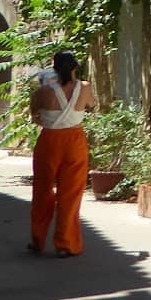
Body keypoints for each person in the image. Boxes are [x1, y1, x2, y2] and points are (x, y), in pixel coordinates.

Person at [27, 51, 96, 258]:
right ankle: (65, 244)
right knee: (71, 193)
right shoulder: (84, 88)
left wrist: (49, 122)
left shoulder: (44, 92)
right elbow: (92, 106)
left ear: (54, 69)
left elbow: (34, 115)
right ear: (75, 67)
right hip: (75, 141)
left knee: (42, 189)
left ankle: (38, 240)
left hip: (49, 141)